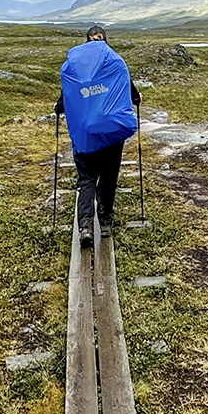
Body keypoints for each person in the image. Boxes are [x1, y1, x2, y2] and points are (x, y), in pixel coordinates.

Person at [56, 24, 142, 248]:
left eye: (97, 37)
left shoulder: (76, 68)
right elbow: (130, 91)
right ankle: (104, 221)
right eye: (96, 37)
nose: (96, 40)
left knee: (86, 179)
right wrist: (136, 98)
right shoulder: (115, 63)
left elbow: (69, 94)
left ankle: (86, 226)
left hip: (86, 135)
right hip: (112, 133)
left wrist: (59, 106)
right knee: (108, 178)